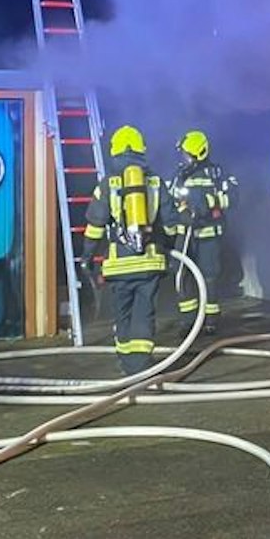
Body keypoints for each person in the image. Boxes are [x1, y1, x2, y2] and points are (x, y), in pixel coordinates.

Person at [82, 126, 168, 374]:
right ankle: (141, 365)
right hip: (150, 262)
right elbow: (172, 222)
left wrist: (87, 257)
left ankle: (126, 363)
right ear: (142, 151)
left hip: (119, 265)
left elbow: (95, 226)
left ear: (115, 152)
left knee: (123, 314)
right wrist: (169, 250)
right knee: (144, 313)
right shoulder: (155, 182)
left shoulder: (107, 185)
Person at [163, 130, 237, 324]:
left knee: (209, 276)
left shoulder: (216, 173)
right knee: (182, 274)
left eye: (186, 154)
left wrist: (209, 201)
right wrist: (179, 216)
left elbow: (234, 197)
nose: (183, 158)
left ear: (198, 154)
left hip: (209, 234)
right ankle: (188, 320)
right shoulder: (178, 175)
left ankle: (210, 318)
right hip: (184, 233)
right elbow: (169, 201)